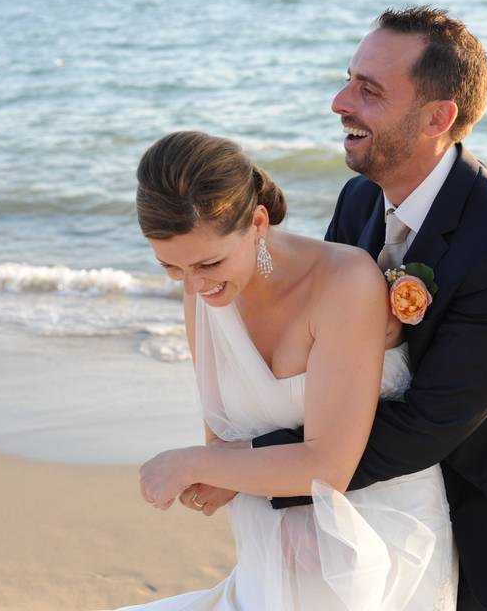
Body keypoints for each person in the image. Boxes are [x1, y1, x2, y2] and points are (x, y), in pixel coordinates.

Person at [249, 6, 487, 610]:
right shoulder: (360, 198)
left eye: (369, 89)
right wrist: (238, 267)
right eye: (348, 79)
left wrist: (254, 469)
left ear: (437, 117)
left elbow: (427, 423)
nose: (340, 101)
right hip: (401, 497)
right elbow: (320, 325)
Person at [113, 129, 459, 610]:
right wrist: (216, 479)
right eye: (171, 268)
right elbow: (227, 445)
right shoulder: (201, 293)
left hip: (377, 548)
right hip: (272, 550)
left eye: (209, 262)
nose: (195, 285)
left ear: (257, 222)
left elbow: (328, 466)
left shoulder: (345, 282)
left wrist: (189, 463)